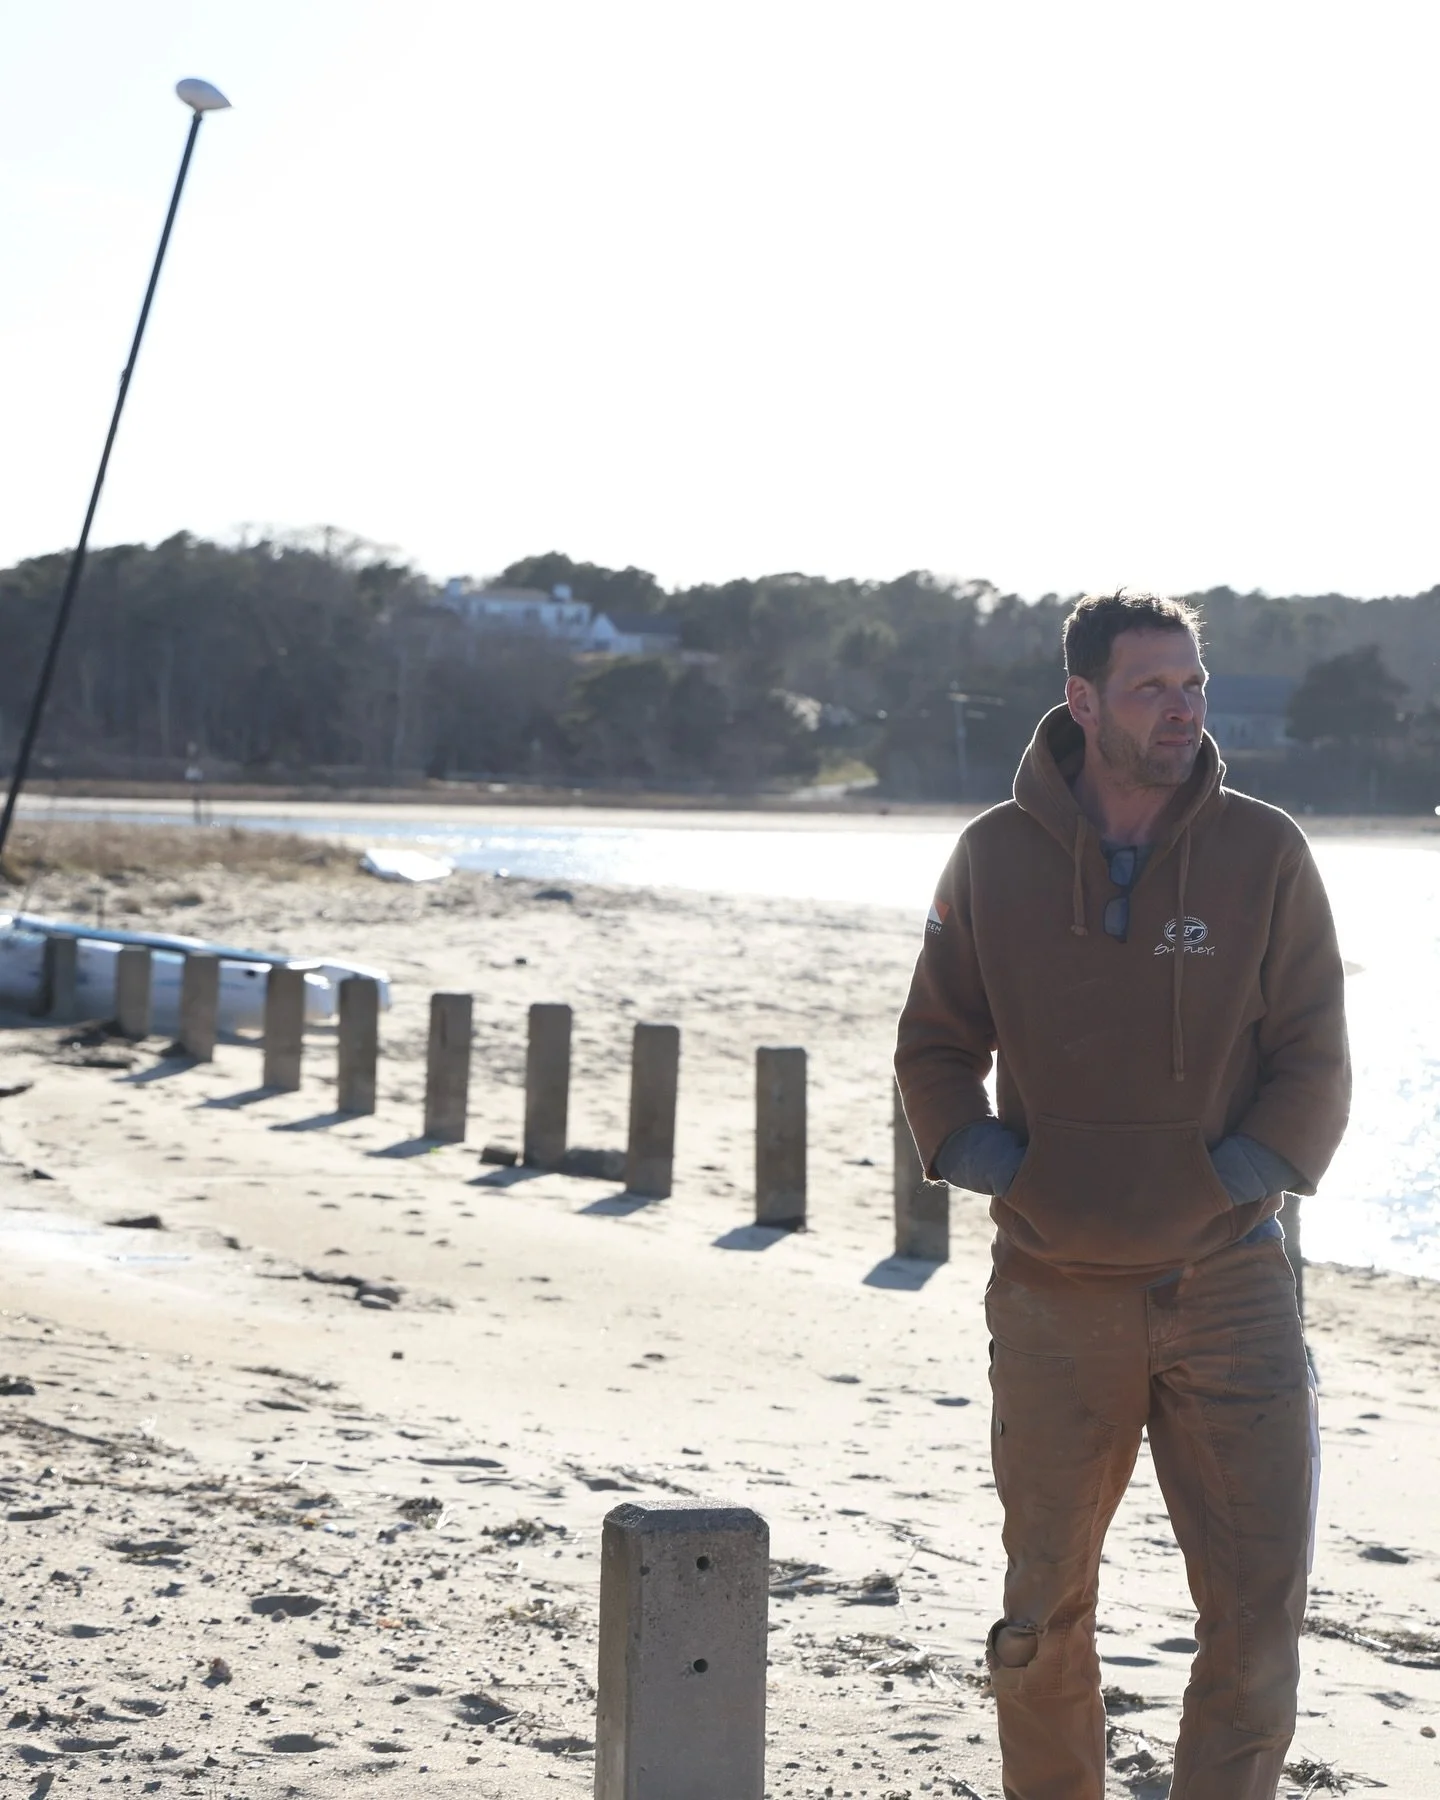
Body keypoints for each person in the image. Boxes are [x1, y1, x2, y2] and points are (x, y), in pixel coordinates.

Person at [894, 591, 1350, 1800]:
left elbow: (1315, 1053)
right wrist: (1008, 1170)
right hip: (1052, 1295)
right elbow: (934, 1047)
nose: (1183, 704)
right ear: (1083, 700)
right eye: (1152, 686)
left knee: (1255, 1630)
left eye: (1192, 681)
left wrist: (1235, 1181)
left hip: (1233, 1287)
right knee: (1044, 1617)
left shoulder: (1266, 849)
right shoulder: (994, 854)